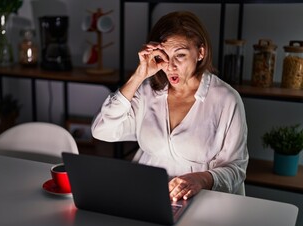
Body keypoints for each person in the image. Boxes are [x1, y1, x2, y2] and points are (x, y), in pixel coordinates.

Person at [91, 11, 248, 201]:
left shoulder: (226, 100)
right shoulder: (148, 90)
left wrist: (202, 179)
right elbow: (102, 130)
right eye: (164, 56)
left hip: (203, 202)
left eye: (180, 55)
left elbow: (236, 169)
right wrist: (139, 75)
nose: (171, 66)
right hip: (147, 196)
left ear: (200, 52)